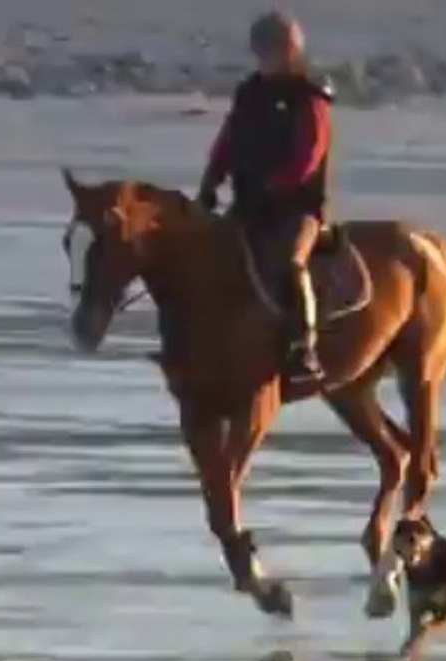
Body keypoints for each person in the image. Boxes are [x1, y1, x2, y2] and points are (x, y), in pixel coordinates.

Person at [197, 10, 333, 385]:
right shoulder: (250, 94)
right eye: (263, 52)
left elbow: (309, 155)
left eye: (274, 51)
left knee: (290, 263)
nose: (267, 59)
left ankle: (304, 346)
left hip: (297, 208)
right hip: (251, 206)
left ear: (291, 51)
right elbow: (228, 141)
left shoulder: (310, 97)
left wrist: (276, 185)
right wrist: (211, 181)